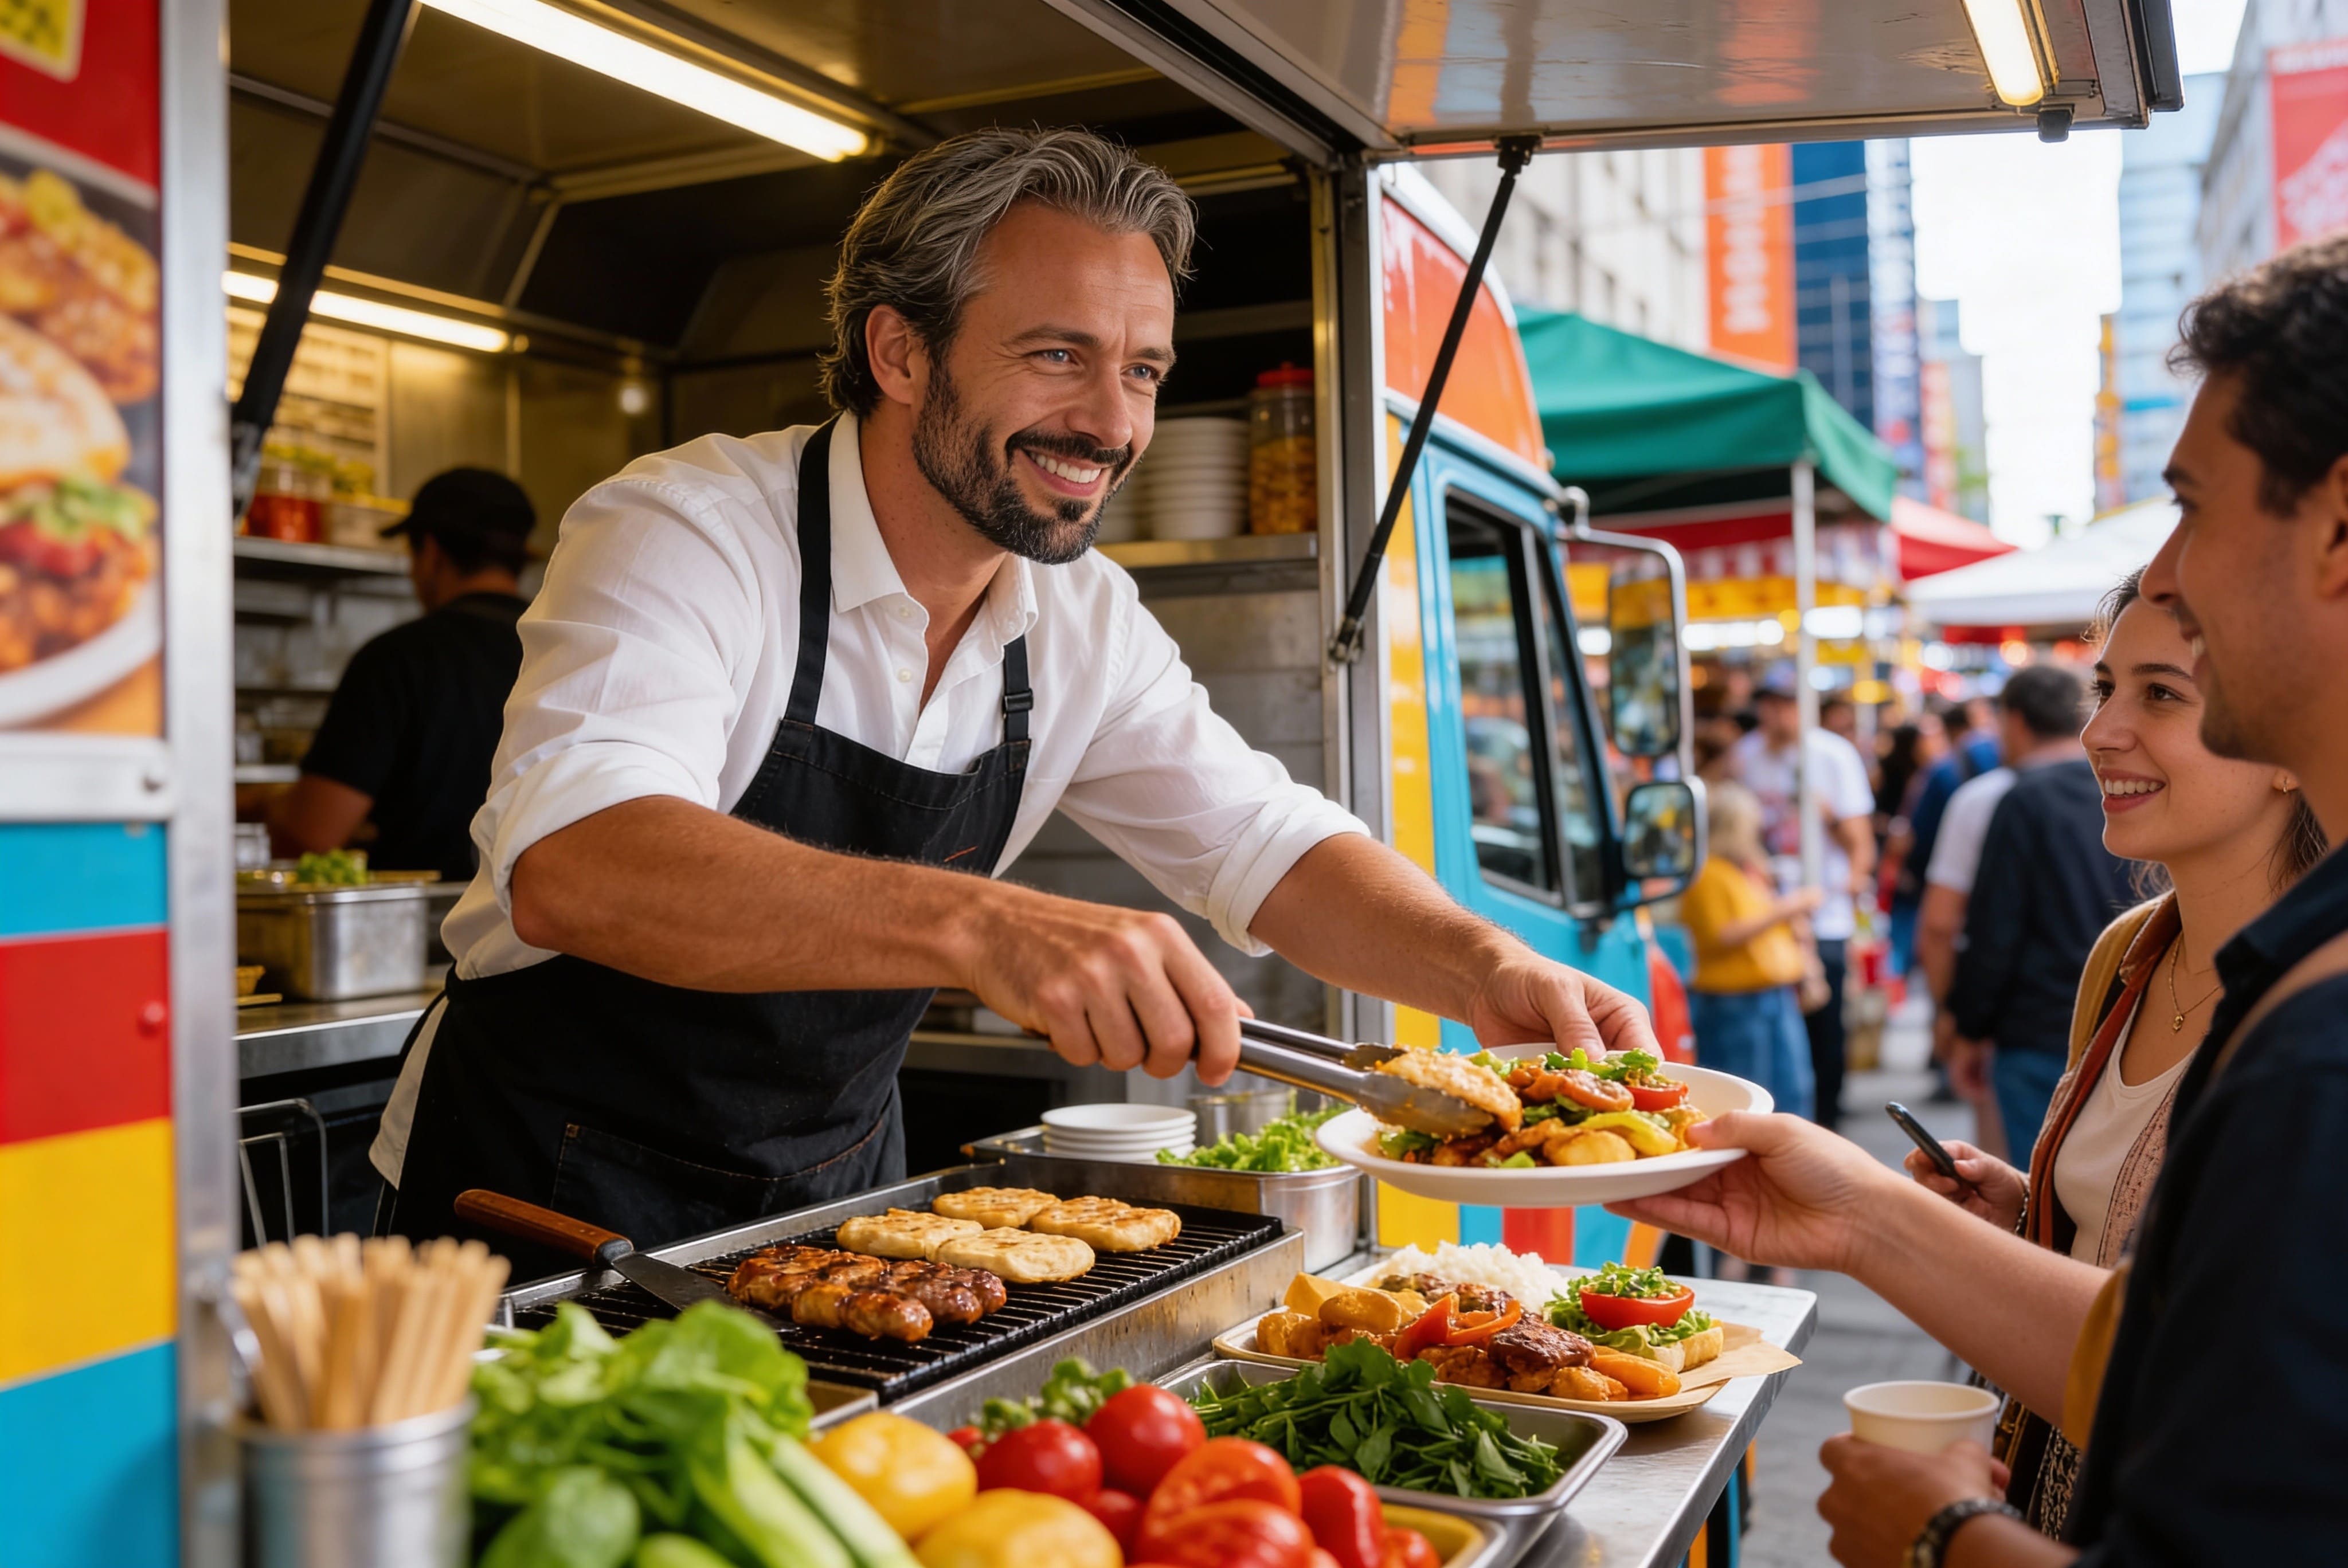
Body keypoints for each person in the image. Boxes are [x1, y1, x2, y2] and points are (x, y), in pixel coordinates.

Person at [373, 128, 1655, 1272]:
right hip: (539, 1208)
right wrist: (986, 928)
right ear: (898, 351)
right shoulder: (689, 528)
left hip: (828, 1223)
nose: (1111, 424)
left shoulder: (1081, 617)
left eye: (1142, 371)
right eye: (1057, 356)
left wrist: (1483, 966)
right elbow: (577, 865)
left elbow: (1265, 845)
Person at [1611, 235, 2348, 1568]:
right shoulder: (2187, 966)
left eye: (2192, 506)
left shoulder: (2315, 1039)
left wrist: (1942, 1532)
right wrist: (1885, 1216)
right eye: (2107, 685)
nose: (2167, 568)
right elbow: (2190, 1359)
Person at [1904, 567, 2324, 1537]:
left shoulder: (2315, 1007)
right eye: (2106, 688)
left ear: (2290, 741)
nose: (2100, 732)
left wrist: (1864, 1219)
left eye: (2161, 694)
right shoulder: (2128, 952)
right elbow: (2142, 1261)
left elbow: (2240, 1366)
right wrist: (2034, 1208)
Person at [268, 469, 534, 882]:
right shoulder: (560, 649)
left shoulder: (397, 659)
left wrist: (261, 807)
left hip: (420, 917)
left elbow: (312, 833)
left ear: (431, 551)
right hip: (540, 915)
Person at [1943, 665, 2136, 1154]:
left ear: (2014, 720)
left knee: (2041, 1181)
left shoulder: (2023, 800)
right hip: (2131, 1017)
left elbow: (1994, 928)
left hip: (2038, 1027)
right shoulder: (2130, 787)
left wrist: (1969, 1028)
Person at [1731, 672, 1876, 1130]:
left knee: (1824, 1021)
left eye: (1785, 704)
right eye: (1768, 705)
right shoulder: (1748, 754)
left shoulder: (1832, 755)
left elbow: (1859, 840)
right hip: (1766, 908)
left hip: (1822, 911)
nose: (1775, 715)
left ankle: (1826, 1116)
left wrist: (1850, 886)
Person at [1680, 781, 1821, 1119]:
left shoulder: (1746, 870)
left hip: (1768, 993)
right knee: (1747, 1098)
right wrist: (1786, 909)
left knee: (1790, 1091)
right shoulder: (1709, 874)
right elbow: (1723, 935)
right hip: (1733, 1000)